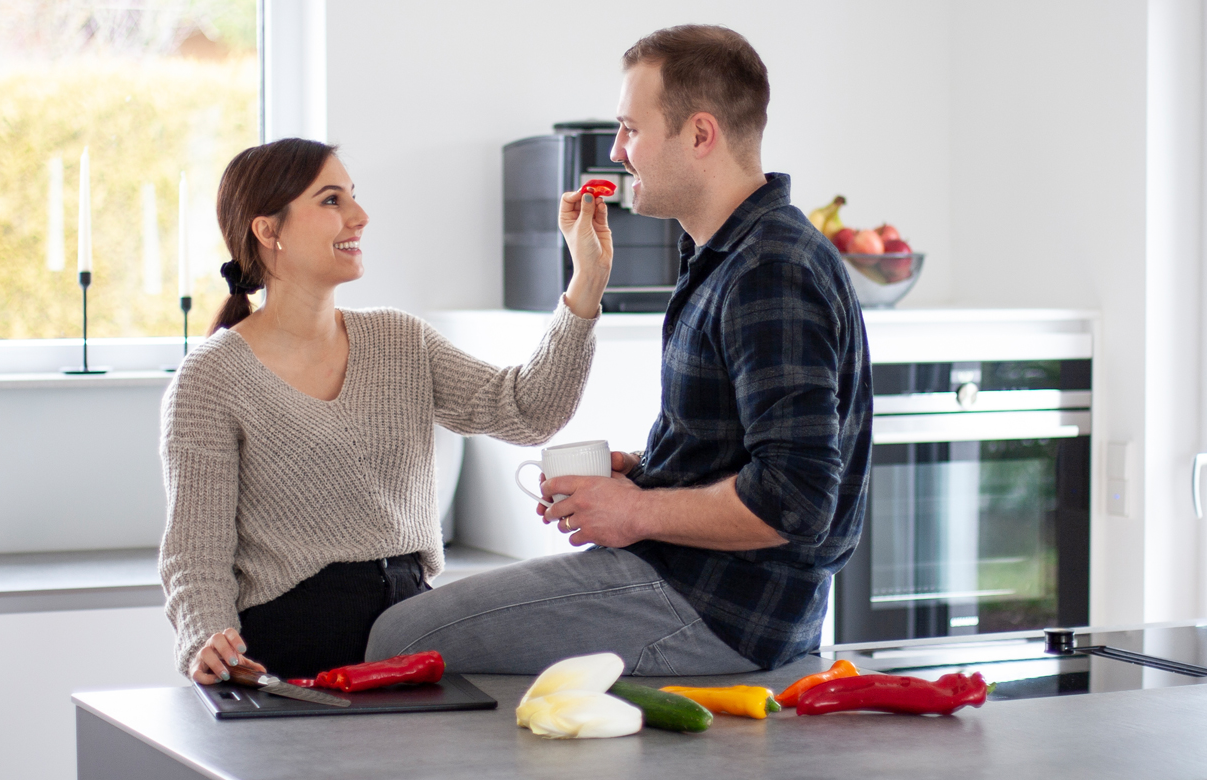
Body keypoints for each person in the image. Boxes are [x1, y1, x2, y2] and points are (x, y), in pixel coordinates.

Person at [366, 25, 872, 675]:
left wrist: (635, 510)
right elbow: (744, 448)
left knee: (398, 643)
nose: (616, 150)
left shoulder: (769, 268)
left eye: (631, 129)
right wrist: (645, 472)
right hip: (690, 581)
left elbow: (796, 501)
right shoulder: (727, 257)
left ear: (699, 134)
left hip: (723, 611)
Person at [159, 137, 612, 683]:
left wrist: (585, 284)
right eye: (331, 201)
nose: (360, 216)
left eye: (353, 196)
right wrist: (206, 639)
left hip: (413, 630)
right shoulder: (211, 377)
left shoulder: (401, 340)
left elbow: (528, 411)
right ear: (268, 230)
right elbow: (195, 555)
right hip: (285, 649)